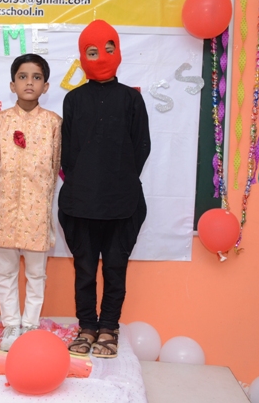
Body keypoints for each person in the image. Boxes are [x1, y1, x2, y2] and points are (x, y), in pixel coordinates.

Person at [58, 19, 150, 358]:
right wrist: (85, 181)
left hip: (121, 203)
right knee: (84, 270)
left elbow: (142, 147)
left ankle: (109, 328)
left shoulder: (131, 99)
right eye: (93, 51)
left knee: (115, 267)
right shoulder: (73, 100)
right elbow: (67, 152)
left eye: (108, 49)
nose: (101, 57)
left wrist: (117, 180)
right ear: (83, 56)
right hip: (80, 203)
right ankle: (86, 327)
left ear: (118, 51)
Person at [0, 53, 61, 351]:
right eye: (22, 77)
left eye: (36, 78)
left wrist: (41, 198)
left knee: (36, 272)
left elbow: (54, 166)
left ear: (45, 86)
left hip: (37, 210)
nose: (29, 83)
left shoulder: (53, 123)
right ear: (12, 85)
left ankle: (31, 325)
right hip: (5, 207)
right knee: (6, 272)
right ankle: (11, 325)